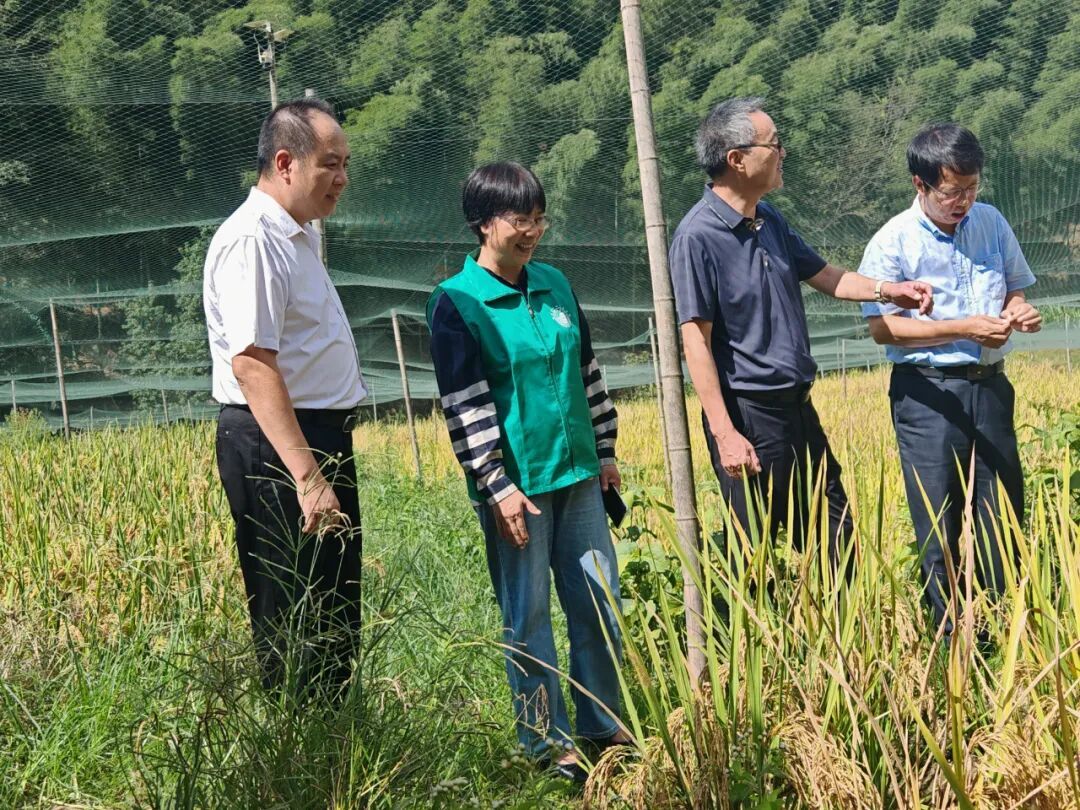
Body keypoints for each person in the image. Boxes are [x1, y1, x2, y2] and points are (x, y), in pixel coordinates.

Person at [669, 97, 934, 581]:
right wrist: (726, 434)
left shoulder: (769, 219)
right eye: (773, 145)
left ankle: (837, 627)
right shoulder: (697, 237)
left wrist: (888, 290)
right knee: (753, 554)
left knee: (837, 541)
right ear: (736, 159)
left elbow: (827, 276)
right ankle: (748, 629)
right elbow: (695, 343)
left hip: (797, 408)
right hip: (749, 415)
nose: (782, 153)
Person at [427, 161, 630, 782]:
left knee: (600, 600)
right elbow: (465, 405)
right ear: (483, 223)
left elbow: (587, 373)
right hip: (518, 491)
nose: (533, 231)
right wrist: (497, 485)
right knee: (529, 615)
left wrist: (605, 450)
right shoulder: (458, 302)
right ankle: (547, 742)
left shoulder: (555, 285)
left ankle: (603, 724)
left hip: (578, 477)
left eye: (540, 218)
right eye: (521, 219)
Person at [203, 97, 365, 692]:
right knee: (293, 611)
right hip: (277, 448)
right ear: (285, 162)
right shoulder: (254, 239)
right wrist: (307, 475)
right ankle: (296, 736)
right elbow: (252, 363)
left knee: (332, 609)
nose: (342, 178)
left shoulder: (298, 235)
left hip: (312, 440)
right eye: (330, 164)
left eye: (346, 164)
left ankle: (333, 733)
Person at [859, 123, 1039, 639]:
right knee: (939, 519)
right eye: (951, 191)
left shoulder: (991, 221)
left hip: (991, 386)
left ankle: (1002, 631)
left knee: (1002, 513)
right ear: (920, 184)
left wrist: (1020, 311)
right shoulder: (892, 241)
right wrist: (963, 328)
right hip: (928, 395)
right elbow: (883, 329)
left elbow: (1015, 290)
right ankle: (948, 640)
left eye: (972, 187)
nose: (964, 201)